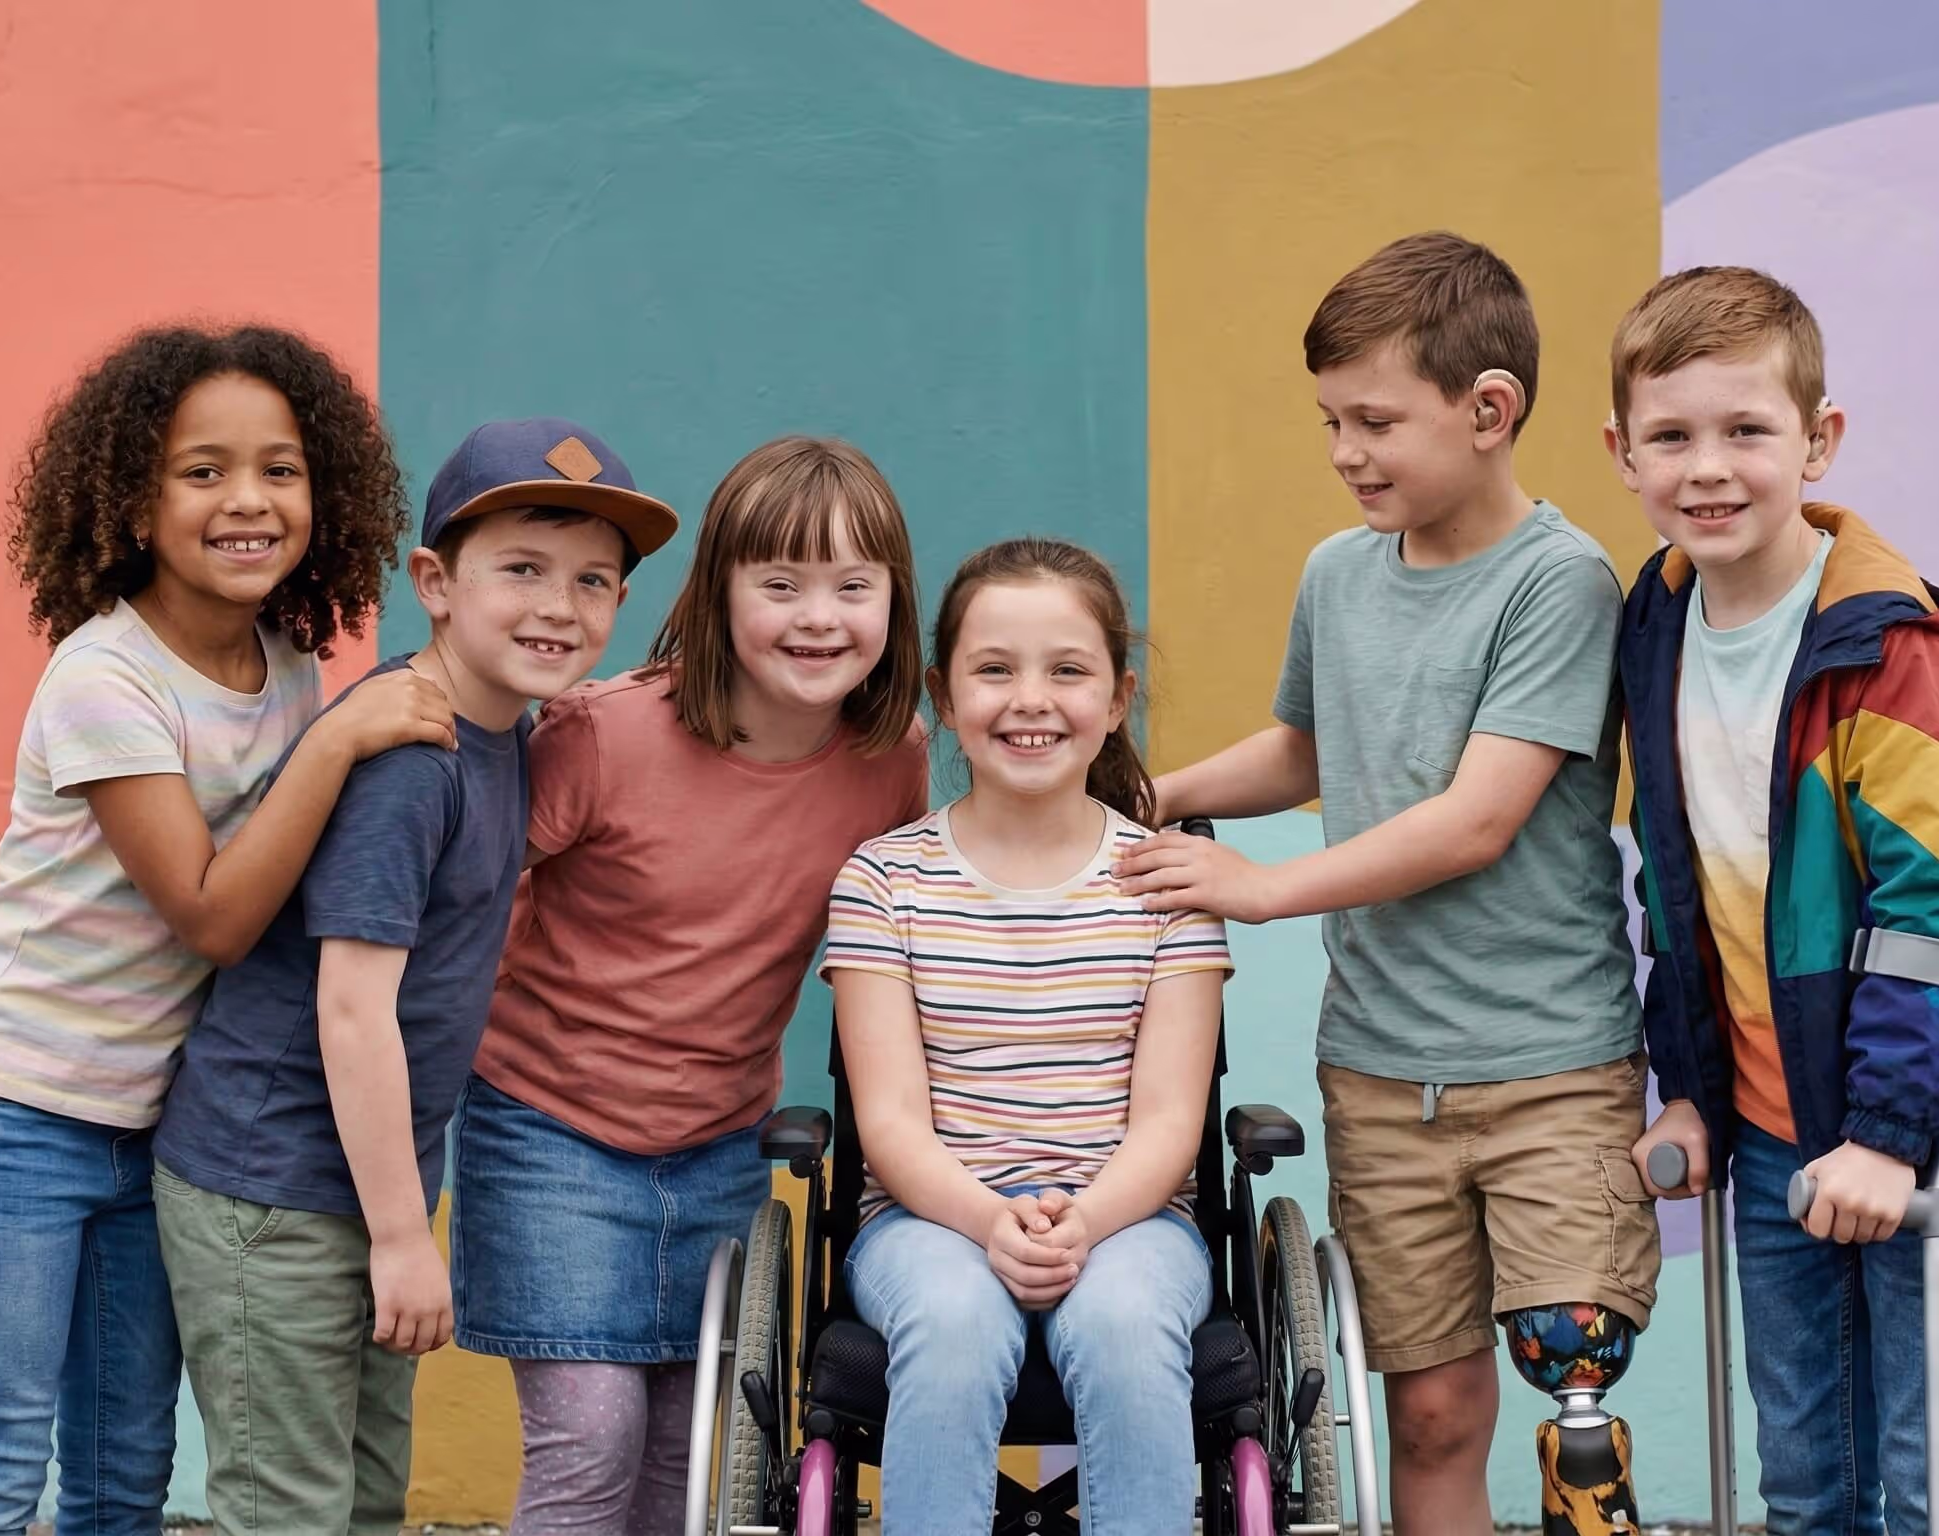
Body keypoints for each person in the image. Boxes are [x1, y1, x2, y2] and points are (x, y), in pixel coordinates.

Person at [1117, 230, 1662, 1533]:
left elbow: (1475, 820)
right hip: (1379, 1070)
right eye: (1330, 422)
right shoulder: (1337, 575)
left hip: (1547, 1067)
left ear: (1489, 411)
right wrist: (1162, 794)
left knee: (1570, 1359)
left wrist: (1260, 889)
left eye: (1374, 420)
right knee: (1425, 1408)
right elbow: (1311, 745)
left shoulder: (1559, 582)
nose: (1348, 451)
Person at [0, 324, 445, 1534]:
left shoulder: (287, 662)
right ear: (132, 503)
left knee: (126, 1459)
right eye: (202, 472)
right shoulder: (107, 682)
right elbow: (209, 913)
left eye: (280, 469)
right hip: (6, 1109)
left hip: (154, 1125)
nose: (246, 499)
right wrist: (344, 735)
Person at [149, 417, 676, 1534]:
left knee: (366, 1497)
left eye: (592, 581)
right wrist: (401, 1236)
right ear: (434, 582)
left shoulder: (503, 736)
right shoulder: (409, 760)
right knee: (289, 1508)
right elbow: (351, 1009)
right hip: (272, 1185)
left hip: (356, 1182)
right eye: (521, 570)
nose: (557, 607)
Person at [1608, 265, 1939, 1536]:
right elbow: (1676, 877)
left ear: (1817, 439)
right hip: (1763, 1125)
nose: (1709, 467)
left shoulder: (1888, 648)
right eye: (1671, 436)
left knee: (1933, 1492)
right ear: (1620, 452)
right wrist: (1686, 1083)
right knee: (1803, 1488)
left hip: (1923, 1125)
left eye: (1746, 431)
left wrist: (1882, 1135)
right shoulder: (1659, 619)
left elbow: (1934, 917)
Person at [449, 436, 929, 1535]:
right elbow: (456, 895)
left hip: (719, 1137)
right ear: (717, 594)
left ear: (893, 604)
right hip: (547, 1129)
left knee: (689, 1460)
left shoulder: (888, 758)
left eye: (853, 586)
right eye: (781, 585)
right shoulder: (604, 734)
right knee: (589, 1444)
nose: (819, 617)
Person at [821, 537, 1231, 1535]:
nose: (1029, 700)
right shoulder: (881, 883)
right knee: (954, 1322)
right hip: (924, 1218)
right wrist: (987, 1222)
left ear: (1116, 695)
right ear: (942, 694)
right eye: (993, 669)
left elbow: (1172, 1120)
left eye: (1067, 670)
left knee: (1125, 1322)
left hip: (1131, 1218)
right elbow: (889, 1122)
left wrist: (1084, 1225)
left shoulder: (1168, 887)